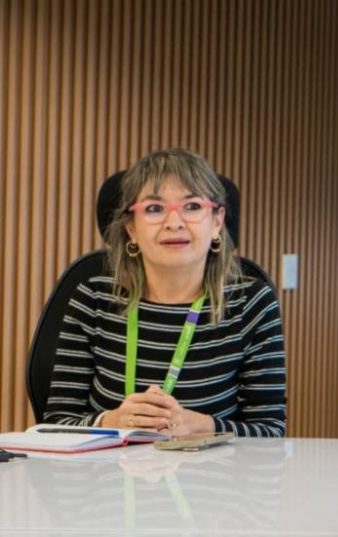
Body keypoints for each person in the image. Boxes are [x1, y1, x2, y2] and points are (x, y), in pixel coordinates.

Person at [44, 148, 287, 438]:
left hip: (213, 468)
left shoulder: (251, 304)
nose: (174, 222)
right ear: (131, 228)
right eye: (154, 209)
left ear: (217, 222)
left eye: (192, 206)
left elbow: (270, 432)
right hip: (108, 467)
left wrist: (202, 426)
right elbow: (54, 425)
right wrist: (110, 421)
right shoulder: (94, 298)